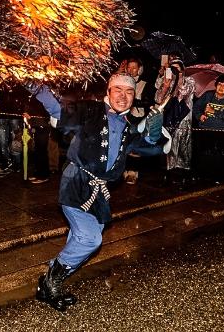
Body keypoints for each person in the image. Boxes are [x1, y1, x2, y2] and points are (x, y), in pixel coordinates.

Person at [27, 73, 165, 311]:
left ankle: (50, 281)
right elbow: (59, 111)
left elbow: (152, 150)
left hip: (100, 189)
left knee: (80, 238)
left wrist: (154, 131)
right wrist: (36, 86)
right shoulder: (89, 110)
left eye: (129, 92)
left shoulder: (128, 127)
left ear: (134, 96)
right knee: (90, 238)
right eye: (118, 90)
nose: (123, 96)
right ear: (108, 92)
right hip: (76, 181)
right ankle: (50, 282)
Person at [155, 54, 196, 183]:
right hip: (168, 119)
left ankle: (183, 176)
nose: (175, 71)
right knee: (168, 147)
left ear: (183, 70)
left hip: (183, 120)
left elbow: (184, 93)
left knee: (183, 148)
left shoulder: (189, 81)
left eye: (177, 68)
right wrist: (166, 85)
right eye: (172, 68)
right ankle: (166, 174)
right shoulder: (167, 81)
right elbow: (158, 99)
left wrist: (179, 79)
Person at [119, 55, 155, 184]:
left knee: (135, 148)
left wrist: (134, 101)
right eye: (129, 67)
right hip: (122, 118)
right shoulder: (122, 82)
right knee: (122, 146)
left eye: (134, 68)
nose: (131, 70)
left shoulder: (145, 84)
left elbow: (149, 102)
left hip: (137, 119)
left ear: (139, 69)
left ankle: (133, 173)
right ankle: (122, 170)